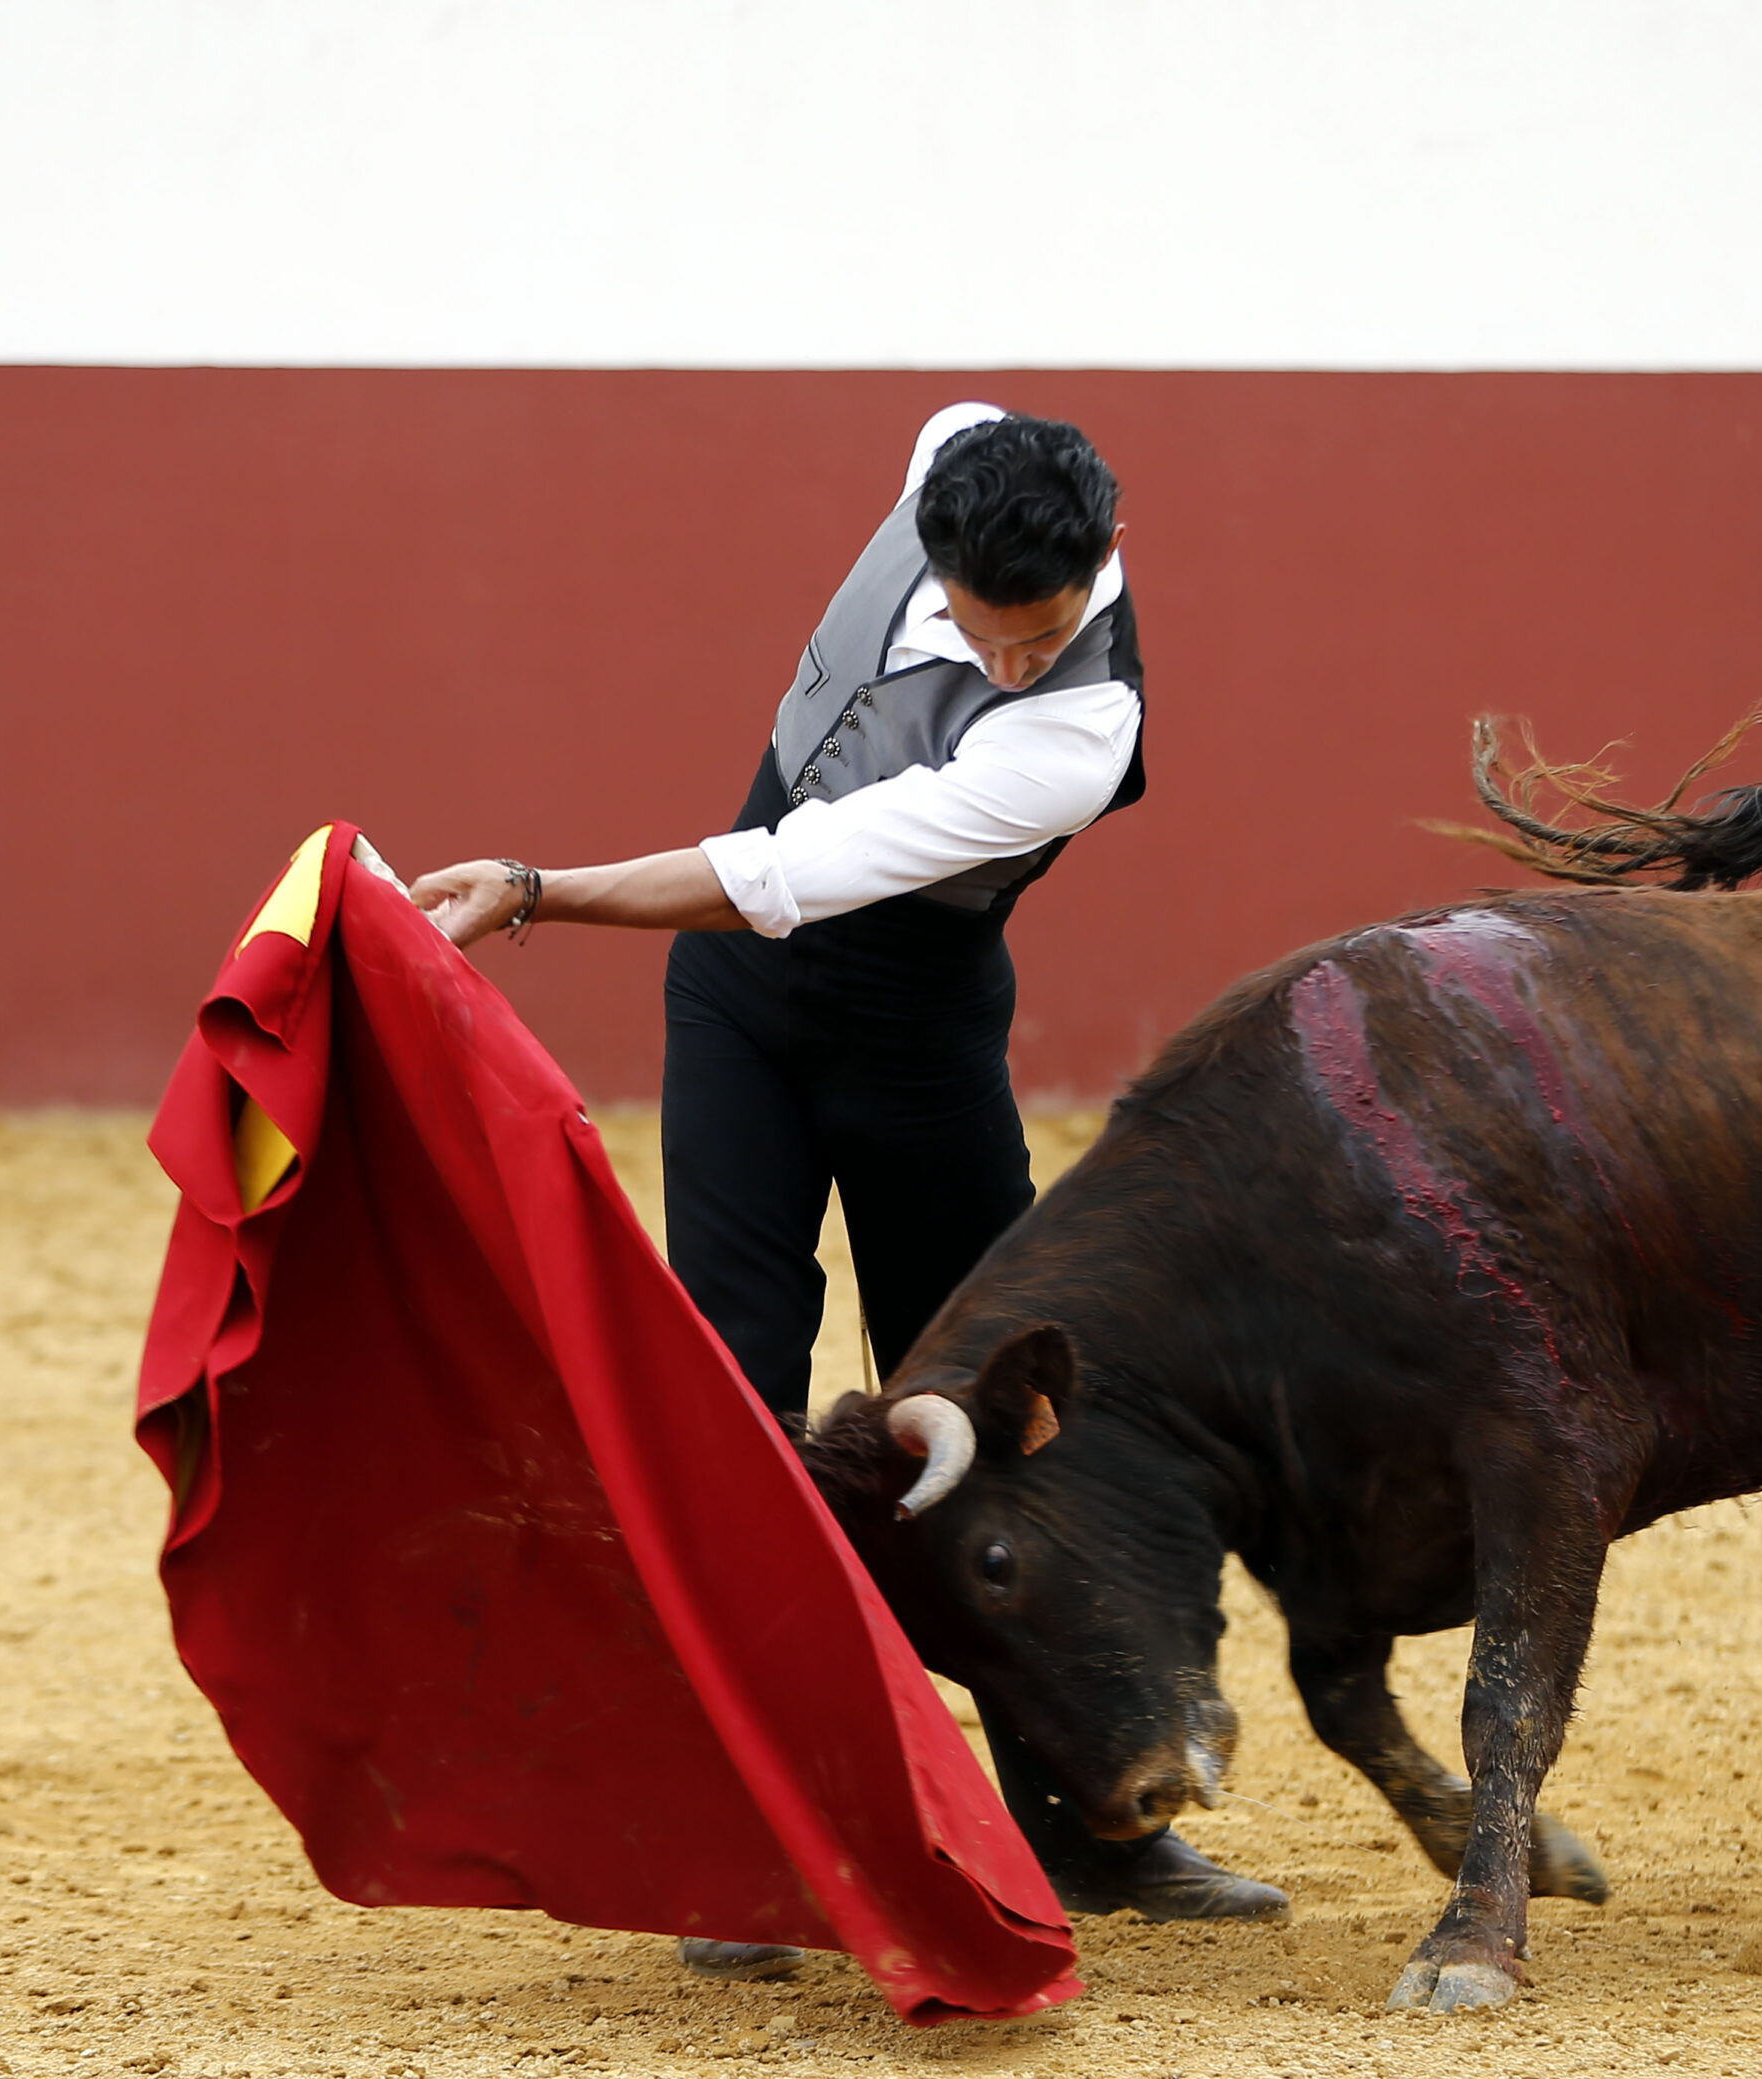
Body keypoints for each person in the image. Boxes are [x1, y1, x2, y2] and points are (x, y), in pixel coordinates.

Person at [412, 405, 1287, 1975]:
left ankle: (1092, 1827)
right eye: (978, 626)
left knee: (1006, 1412)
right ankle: (753, 1840)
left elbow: (786, 874)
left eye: (1037, 638)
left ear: (1109, 554)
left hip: (912, 1033)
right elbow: (967, 427)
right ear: (931, 541)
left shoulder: (1079, 732)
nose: (1006, 664)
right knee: (730, 1405)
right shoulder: (951, 452)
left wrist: (539, 890)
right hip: (737, 1014)